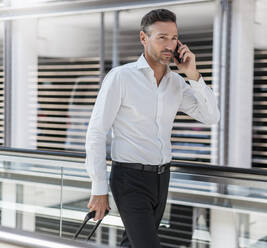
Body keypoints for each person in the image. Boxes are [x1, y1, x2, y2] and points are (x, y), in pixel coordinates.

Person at [84, 8, 220, 248]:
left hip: (161, 178)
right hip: (129, 178)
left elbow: (211, 117)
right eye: (162, 37)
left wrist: (193, 74)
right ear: (143, 38)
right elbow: (96, 132)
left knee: (133, 244)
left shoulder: (177, 83)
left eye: (174, 37)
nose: (170, 45)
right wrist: (99, 188)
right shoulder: (121, 78)